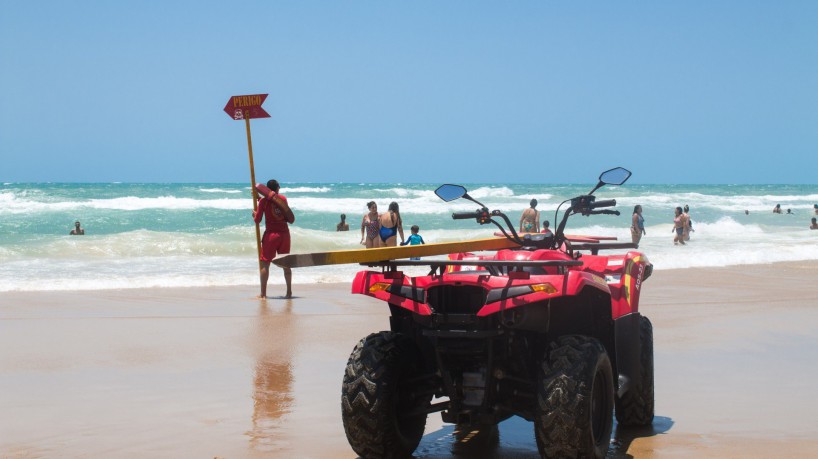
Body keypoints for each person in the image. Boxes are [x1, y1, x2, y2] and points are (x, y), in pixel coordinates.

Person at [252, 179, 294, 299]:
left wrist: (254, 214)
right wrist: (259, 199)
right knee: (286, 264)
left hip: (271, 236)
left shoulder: (263, 202)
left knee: (265, 264)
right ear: (276, 189)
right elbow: (278, 206)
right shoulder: (283, 199)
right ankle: (289, 292)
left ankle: (263, 294)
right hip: (285, 235)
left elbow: (257, 220)